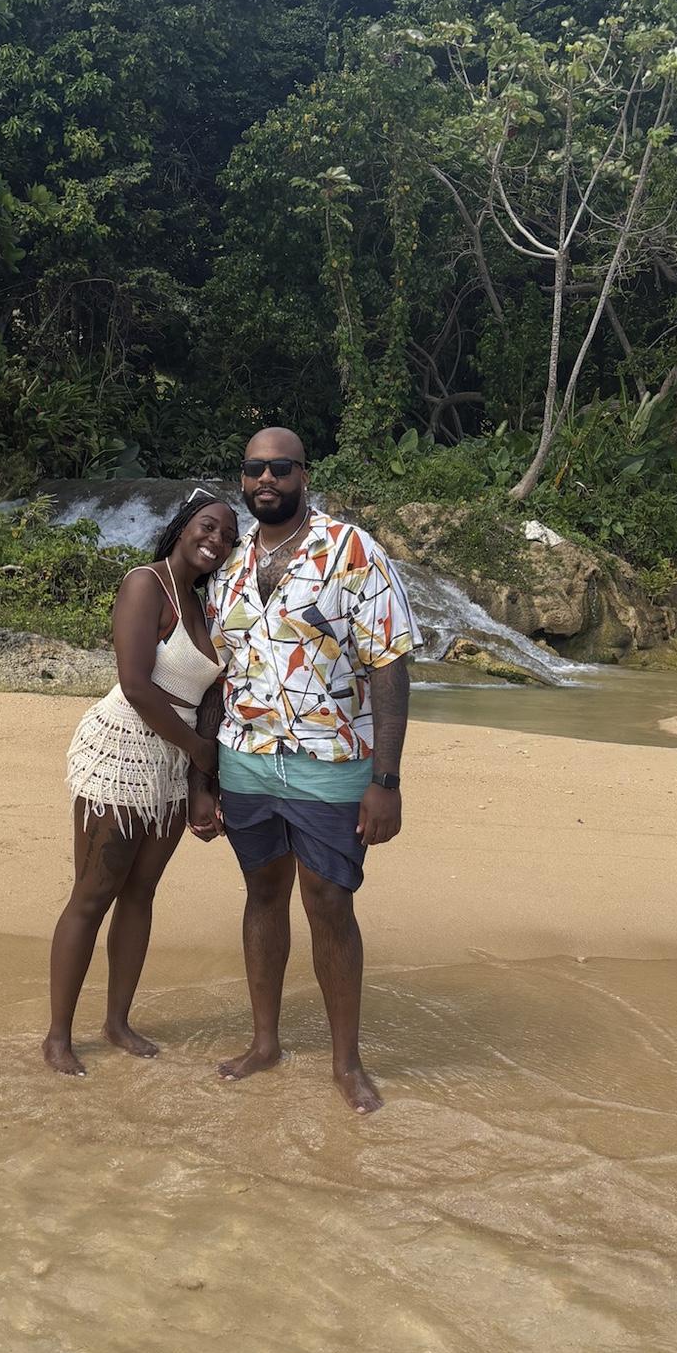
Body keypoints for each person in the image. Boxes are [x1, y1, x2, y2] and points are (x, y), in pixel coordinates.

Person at [188, 428, 419, 1114]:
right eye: (255, 469)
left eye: (280, 469)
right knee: (262, 896)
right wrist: (203, 781)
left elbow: (389, 664)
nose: (267, 480)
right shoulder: (226, 567)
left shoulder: (351, 549)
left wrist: (387, 780)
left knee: (329, 903)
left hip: (332, 759)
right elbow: (212, 679)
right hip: (246, 759)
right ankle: (266, 1043)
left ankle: (346, 1063)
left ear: (303, 475)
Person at [43, 492, 240, 1076]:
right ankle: (57, 1036)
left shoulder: (205, 605)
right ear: (183, 527)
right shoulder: (144, 584)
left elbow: (210, 697)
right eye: (209, 527)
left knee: (141, 894)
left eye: (229, 537)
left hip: (173, 766)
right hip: (122, 750)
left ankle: (117, 1022)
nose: (217, 542)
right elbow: (134, 683)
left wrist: (203, 779)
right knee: (92, 894)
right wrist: (203, 753)